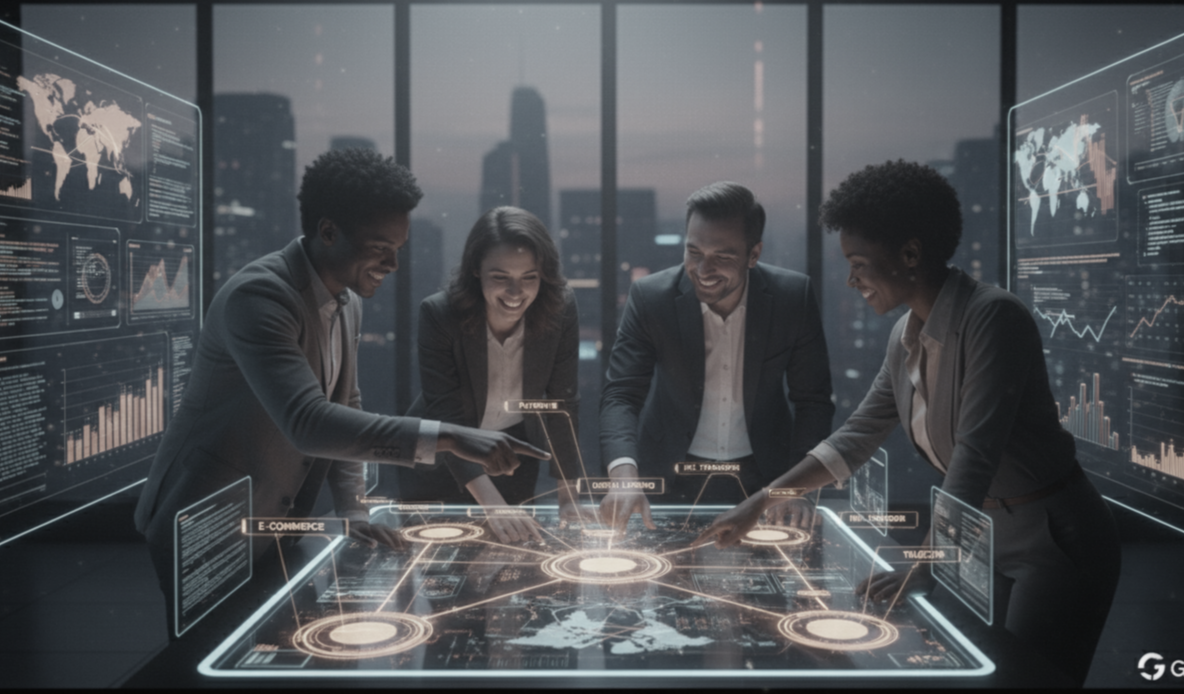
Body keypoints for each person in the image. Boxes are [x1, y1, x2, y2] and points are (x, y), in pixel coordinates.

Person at [697, 160, 1121, 686]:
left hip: (1052, 537)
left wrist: (929, 563)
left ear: (911, 254)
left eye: (858, 263)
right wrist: (764, 500)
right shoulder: (905, 335)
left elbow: (974, 456)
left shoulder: (994, 318)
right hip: (982, 536)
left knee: (1032, 680)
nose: (850, 279)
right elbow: (857, 435)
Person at [134, 149, 548, 632]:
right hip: (208, 523)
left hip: (274, 525)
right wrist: (453, 438)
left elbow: (345, 404)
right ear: (328, 232)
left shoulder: (346, 300)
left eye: (399, 247)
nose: (393, 263)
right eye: (380, 247)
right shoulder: (260, 297)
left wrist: (353, 509)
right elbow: (309, 423)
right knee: (202, 666)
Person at [598, 181, 834, 531]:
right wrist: (623, 476)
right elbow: (621, 395)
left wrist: (795, 486)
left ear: (754, 254)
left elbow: (812, 401)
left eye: (722, 257)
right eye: (694, 252)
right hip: (666, 477)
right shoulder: (651, 299)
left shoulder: (792, 298)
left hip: (767, 481)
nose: (702, 269)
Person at [395, 207, 590, 542]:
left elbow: (562, 404)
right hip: (440, 465)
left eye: (529, 277)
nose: (516, 293)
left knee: (513, 573)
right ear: (475, 270)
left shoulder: (560, 308)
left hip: (511, 459)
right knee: (441, 581)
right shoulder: (439, 314)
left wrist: (568, 497)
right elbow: (445, 415)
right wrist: (493, 505)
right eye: (500, 278)